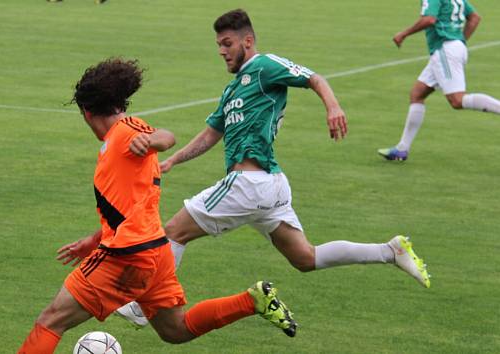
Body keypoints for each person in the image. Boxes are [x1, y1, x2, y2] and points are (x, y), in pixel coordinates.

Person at [115, 9, 431, 328]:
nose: (222, 51)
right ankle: (390, 251)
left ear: (247, 41)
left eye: (227, 43)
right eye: (218, 45)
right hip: (270, 186)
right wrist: (173, 160)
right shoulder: (232, 89)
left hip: (248, 183)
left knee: (174, 232)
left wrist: (333, 106)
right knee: (305, 258)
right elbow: (212, 133)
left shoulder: (265, 67)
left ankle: (144, 307)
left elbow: (313, 78)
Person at [17, 58, 297, 354]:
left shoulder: (125, 130)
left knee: (51, 320)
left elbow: (167, 137)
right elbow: (129, 211)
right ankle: (252, 300)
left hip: (126, 257)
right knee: (175, 330)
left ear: (87, 112)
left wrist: (151, 140)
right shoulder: (117, 141)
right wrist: (93, 240)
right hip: (156, 252)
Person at [378, 0, 500, 161]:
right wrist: (459, 41)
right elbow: (475, 17)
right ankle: (402, 149)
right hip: (452, 48)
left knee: (457, 100)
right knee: (417, 93)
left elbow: (429, 19)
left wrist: (404, 33)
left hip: (445, 50)